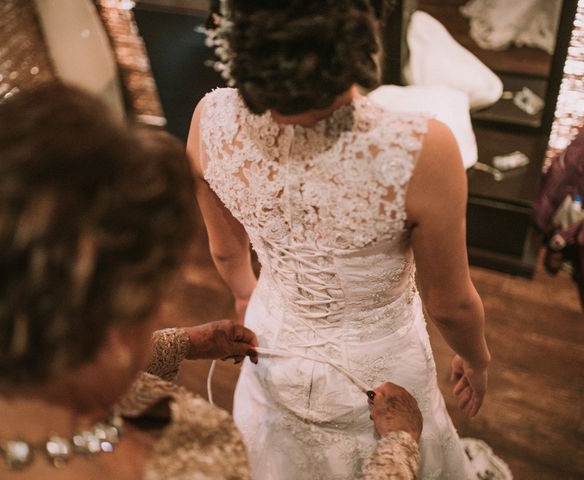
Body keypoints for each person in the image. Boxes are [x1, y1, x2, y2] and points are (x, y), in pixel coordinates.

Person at [0, 82, 428, 479]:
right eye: (156, 299)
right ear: (113, 332)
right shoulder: (188, 465)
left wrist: (183, 345)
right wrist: (399, 451)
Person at [188, 0, 491, 478]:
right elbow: (450, 303)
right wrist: (476, 357)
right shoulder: (421, 150)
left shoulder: (209, 119)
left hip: (272, 336)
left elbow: (225, 248)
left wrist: (247, 293)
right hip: (383, 367)